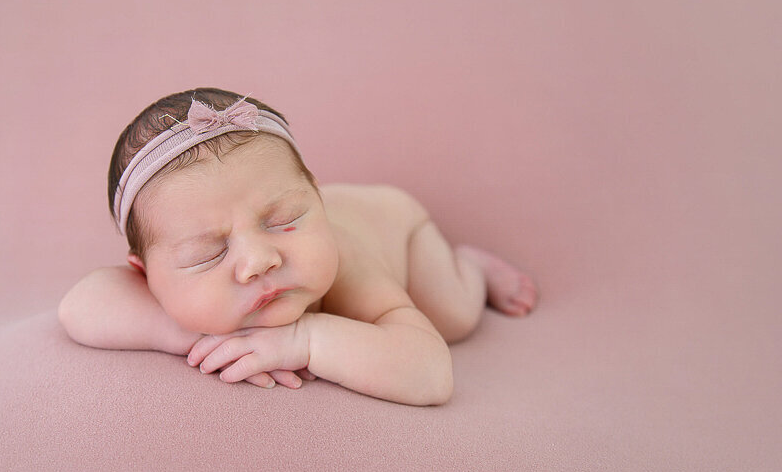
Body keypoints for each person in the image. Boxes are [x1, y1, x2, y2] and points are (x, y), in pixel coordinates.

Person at [59, 87, 538, 406]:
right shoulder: (173, 287)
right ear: (146, 276)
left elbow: (430, 374)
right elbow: (78, 305)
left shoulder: (346, 265)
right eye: (208, 254)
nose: (259, 260)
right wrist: (194, 334)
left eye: (285, 220)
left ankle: (470, 267)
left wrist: (304, 340)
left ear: (316, 200)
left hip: (399, 228)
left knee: (451, 317)